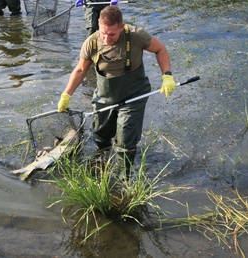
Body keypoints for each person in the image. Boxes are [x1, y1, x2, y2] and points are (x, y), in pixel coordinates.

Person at [57, 6, 176, 177]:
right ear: (99, 24)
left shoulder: (137, 36)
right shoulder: (91, 42)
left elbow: (160, 49)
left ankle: (123, 178)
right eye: (103, 32)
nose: (106, 38)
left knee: (126, 137)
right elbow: (80, 70)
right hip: (105, 95)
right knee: (101, 134)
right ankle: (101, 161)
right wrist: (66, 95)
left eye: (112, 34)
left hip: (134, 93)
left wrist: (167, 75)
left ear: (121, 27)